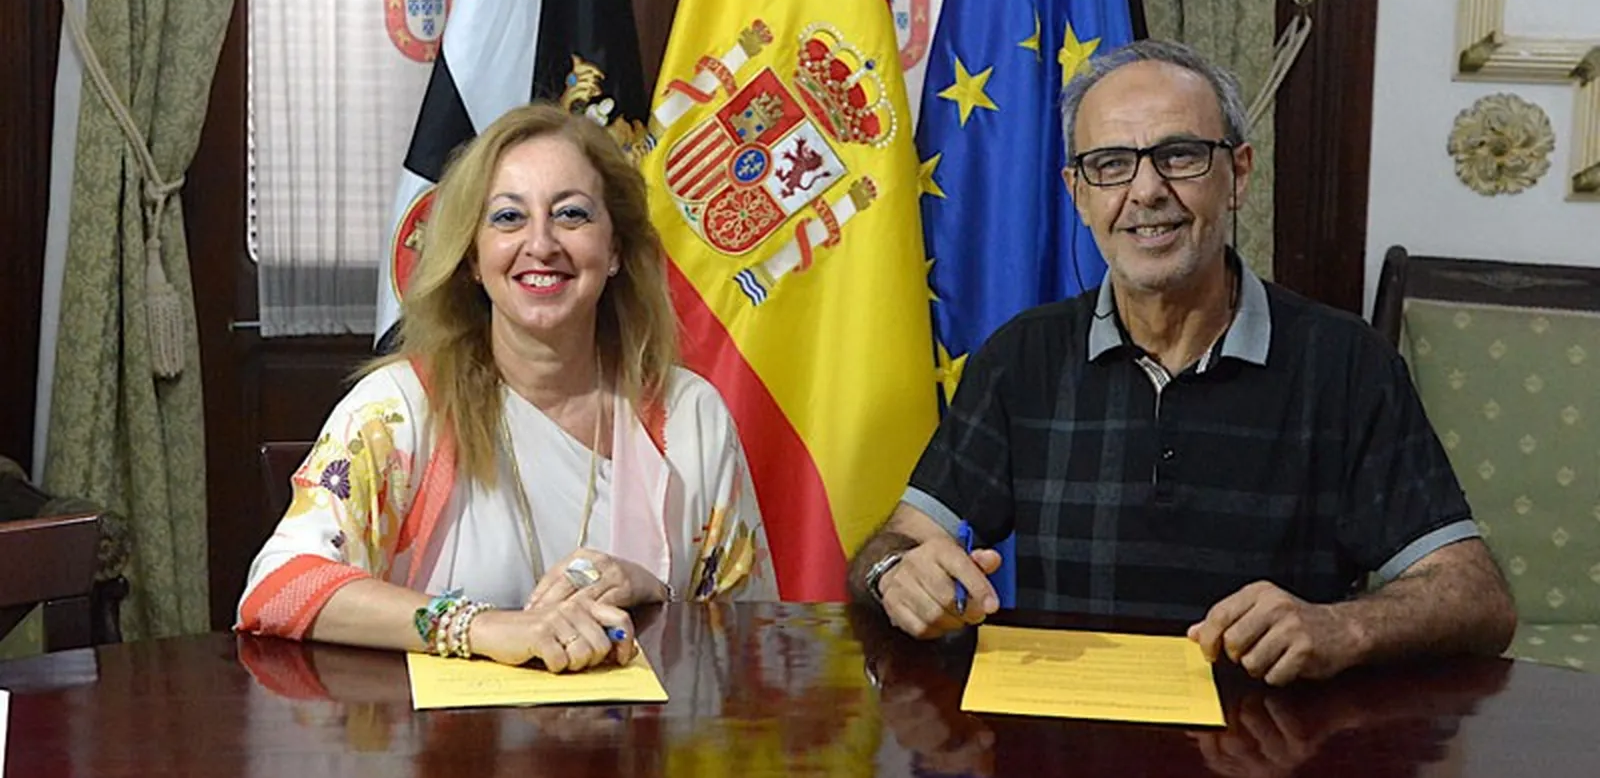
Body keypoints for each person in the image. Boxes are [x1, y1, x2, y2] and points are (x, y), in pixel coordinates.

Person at [848, 39, 1515, 685]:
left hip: (1270, 742)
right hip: (1067, 736)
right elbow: (893, 546)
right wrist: (895, 576)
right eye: (1111, 164)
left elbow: (1477, 597)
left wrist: (1344, 626)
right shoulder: (1022, 358)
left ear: (1238, 174)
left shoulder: (1347, 365)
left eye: (1180, 155)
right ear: (1079, 193)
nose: (1146, 190)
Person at [239, 102, 775, 672]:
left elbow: (752, 645)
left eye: (571, 214)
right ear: (473, 257)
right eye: (508, 218)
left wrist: (655, 595)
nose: (541, 243)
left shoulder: (691, 416)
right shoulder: (401, 407)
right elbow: (278, 589)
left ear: (615, 250)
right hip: (440, 729)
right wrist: (483, 627)